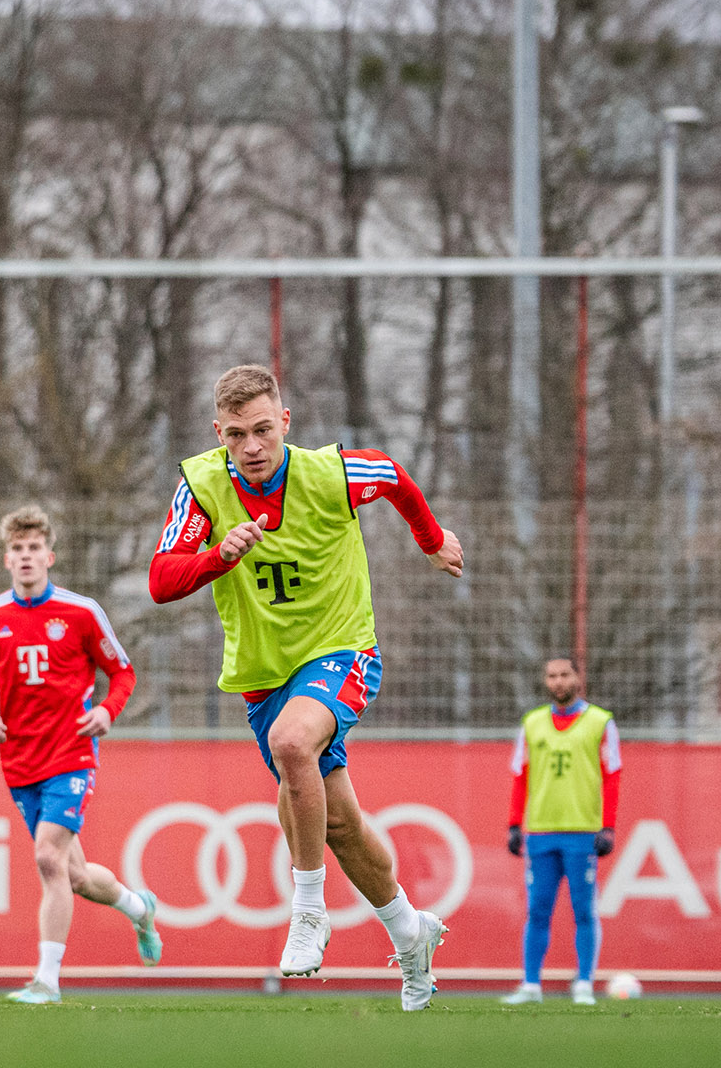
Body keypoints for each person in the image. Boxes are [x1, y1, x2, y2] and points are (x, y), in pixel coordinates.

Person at [149, 364, 465, 1012]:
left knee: (295, 746)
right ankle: (412, 934)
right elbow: (160, 580)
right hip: (265, 673)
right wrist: (219, 555)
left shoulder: (331, 473)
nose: (253, 446)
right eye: (237, 435)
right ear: (220, 434)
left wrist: (432, 542)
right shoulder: (202, 486)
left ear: (285, 423)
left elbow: (397, 478)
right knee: (338, 822)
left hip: (341, 648)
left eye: (264, 429)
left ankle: (309, 909)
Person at [0, 505, 162, 1005]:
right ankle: (140, 908)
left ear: (49, 557)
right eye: (17, 550)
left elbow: (123, 672)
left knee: (47, 857)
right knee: (72, 876)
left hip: (72, 753)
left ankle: (46, 981)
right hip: (19, 761)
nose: (26, 557)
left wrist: (108, 711)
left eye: (34, 549)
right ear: (7, 560)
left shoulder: (81, 612)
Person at [501, 658, 620, 1007]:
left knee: (584, 910)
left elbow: (612, 775)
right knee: (538, 911)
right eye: (552, 675)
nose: (558, 681)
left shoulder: (600, 722)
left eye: (564, 674)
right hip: (540, 831)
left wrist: (608, 826)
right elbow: (519, 775)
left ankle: (583, 982)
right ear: (545, 681)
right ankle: (531, 984)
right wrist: (514, 823)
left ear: (578, 678)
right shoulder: (532, 723)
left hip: (582, 830)